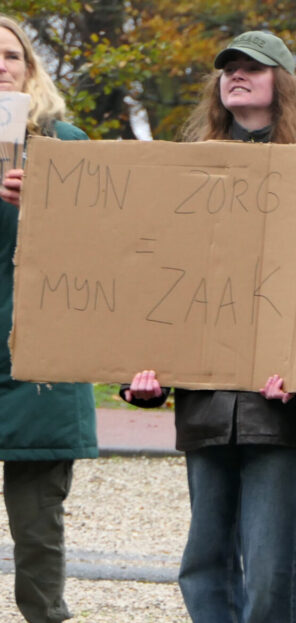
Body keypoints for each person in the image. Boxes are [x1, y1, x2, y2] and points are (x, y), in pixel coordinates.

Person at [120, 31, 296, 623]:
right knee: (205, 559)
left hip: (280, 409)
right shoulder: (185, 173)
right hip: (205, 406)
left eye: (252, 68)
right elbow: (153, 274)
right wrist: (138, 371)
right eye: (228, 67)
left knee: (271, 564)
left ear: (282, 83)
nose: (236, 74)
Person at [0, 15, 98, 623]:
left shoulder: (66, 145)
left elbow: (106, 252)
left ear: (30, 70)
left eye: (11, 55)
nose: (0, 65)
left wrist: (49, 204)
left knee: (37, 528)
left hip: (38, 365)